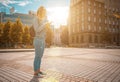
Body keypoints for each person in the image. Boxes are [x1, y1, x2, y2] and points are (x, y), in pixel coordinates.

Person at [33, 6, 47, 78]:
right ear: (40, 12)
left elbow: (43, 30)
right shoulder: (36, 19)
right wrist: (44, 25)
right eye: (44, 12)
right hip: (38, 40)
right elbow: (37, 30)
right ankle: (36, 72)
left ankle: (38, 70)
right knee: (37, 56)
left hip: (42, 40)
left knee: (40, 56)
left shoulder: (42, 20)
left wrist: (46, 25)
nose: (44, 14)